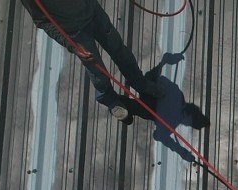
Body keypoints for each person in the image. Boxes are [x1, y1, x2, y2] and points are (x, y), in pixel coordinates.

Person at [19, 0, 161, 121]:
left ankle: (140, 83)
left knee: (119, 50)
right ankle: (110, 100)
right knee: (98, 72)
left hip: (94, 13)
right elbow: (43, 22)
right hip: (76, 34)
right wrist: (72, 46)